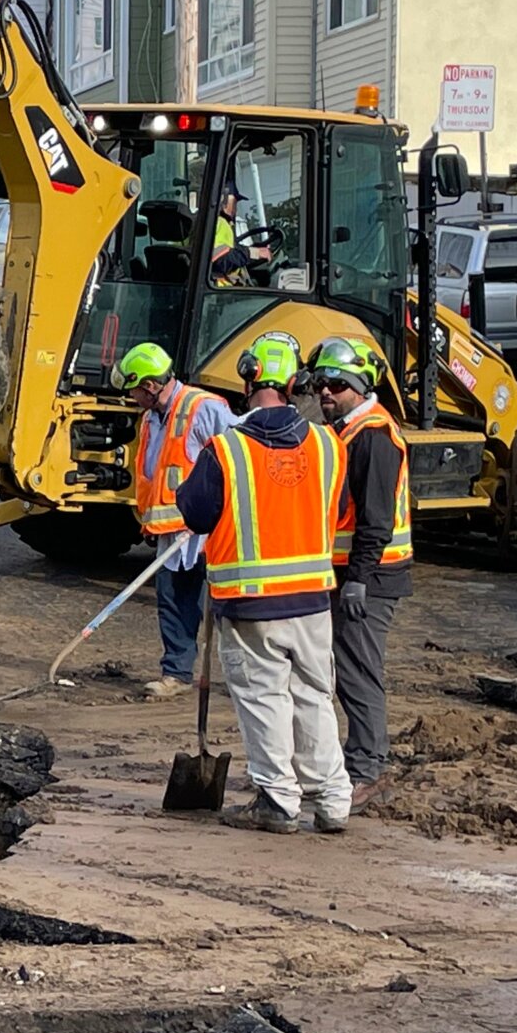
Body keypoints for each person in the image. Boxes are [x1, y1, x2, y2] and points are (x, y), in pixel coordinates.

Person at [176, 332, 351, 835]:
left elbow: (195, 511)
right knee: (315, 695)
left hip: (252, 605)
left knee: (264, 697)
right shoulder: (327, 443)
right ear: (295, 383)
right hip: (313, 599)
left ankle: (278, 799)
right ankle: (334, 800)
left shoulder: (226, 450)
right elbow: (335, 511)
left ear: (247, 379)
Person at [308, 337, 412, 814]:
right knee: (350, 672)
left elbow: (376, 519)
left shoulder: (373, 435)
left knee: (358, 675)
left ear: (359, 386)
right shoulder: (348, 431)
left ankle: (368, 769)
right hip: (357, 573)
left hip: (371, 577)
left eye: (335, 384)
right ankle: (360, 763)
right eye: (319, 383)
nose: (325, 392)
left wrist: (358, 578)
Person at [116, 342, 235, 700]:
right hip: (171, 532)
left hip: (210, 531)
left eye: (134, 390)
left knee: (229, 605)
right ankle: (177, 673)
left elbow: (239, 457)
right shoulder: (152, 418)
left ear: (150, 386)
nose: (132, 397)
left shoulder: (204, 408)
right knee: (174, 601)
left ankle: (248, 675)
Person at [209, 179, 271, 286]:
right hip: (220, 292)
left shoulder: (210, 222)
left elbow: (228, 250)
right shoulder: (220, 224)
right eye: (234, 203)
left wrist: (250, 251)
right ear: (223, 200)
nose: (235, 209)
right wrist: (253, 253)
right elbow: (221, 259)